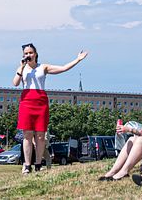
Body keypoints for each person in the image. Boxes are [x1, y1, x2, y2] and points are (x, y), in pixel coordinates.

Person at [12, 43, 89, 175]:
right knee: (27, 135)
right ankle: (26, 165)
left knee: (40, 136)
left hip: (40, 100)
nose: (28, 55)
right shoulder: (22, 68)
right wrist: (21, 67)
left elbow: (63, 68)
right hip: (26, 100)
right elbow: (15, 83)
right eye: (25, 53)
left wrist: (77, 59)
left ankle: (37, 164)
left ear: (35, 54)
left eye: (30, 53)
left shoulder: (43, 67)